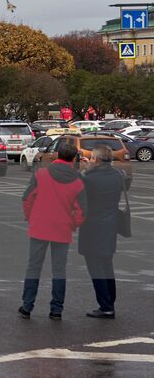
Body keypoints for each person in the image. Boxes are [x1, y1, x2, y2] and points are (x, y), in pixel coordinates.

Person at [20, 137, 87, 319]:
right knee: (59, 270)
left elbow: (27, 198)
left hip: (40, 226)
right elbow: (82, 211)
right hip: (62, 228)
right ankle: (56, 309)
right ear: (73, 159)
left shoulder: (41, 174)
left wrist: (30, 217)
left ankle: (27, 306)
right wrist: (72, 224)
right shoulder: (78, 181)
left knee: (33, 267)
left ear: (56, 155)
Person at [78, 145, 129, 318]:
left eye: (92, 158)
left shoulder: (88, 177)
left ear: (97, 160)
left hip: (92, 226)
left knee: (95, 267)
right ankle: (110, 301)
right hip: (111, 225)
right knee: (107, 264)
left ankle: (106, 306)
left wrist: (86, 169)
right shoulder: (118, 175)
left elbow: (81, 195)